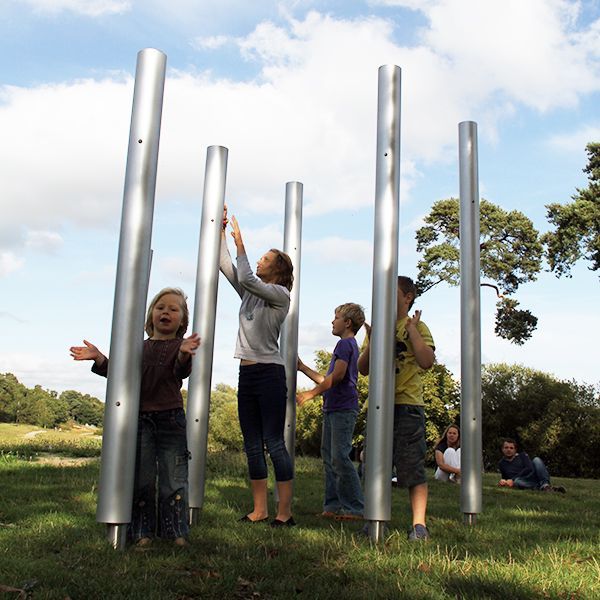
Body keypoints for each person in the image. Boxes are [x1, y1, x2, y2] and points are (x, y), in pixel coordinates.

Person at [70, 287, 200, 547]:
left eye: (173, 309)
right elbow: (120, 373)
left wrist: (185, 353)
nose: (166, 312)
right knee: (141, 478)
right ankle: (141, 533)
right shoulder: (138, 348)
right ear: (151, 315)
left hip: (170, 419)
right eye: (160, 307)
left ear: (182, 321)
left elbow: (181, 371)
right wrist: (99, 358)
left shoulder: (179, 347)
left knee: (173, 478)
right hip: (140, 418)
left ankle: (175, 532)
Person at [219, 205, 296, 527]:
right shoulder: (250, 292)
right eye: (258, 257)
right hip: (247, 372)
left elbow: (247, 275)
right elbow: (226, 265)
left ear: (277, 270)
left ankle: (284, 512)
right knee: (251, 444)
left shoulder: (279, 294)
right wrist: (219, 230)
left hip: (269, 374)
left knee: (274, 443)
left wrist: (241, 244)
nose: (258, 261)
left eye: (265, 259)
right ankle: (260, 510)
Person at [358, 276, 435, 541]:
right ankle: (373, 519)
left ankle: (419, 525)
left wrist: (412, 330)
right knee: (373, 465)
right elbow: (363, 368)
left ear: (407, 298)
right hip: (378, 406)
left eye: (392, 294)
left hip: (407, 406)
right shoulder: (379, 328)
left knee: (412, 465)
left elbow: (427, 361)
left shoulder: (417, 327)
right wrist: (373, 340)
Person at [297, 303, 365, 521]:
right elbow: (328, 379)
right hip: (333, 408)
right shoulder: (346, 345)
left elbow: (337, 377)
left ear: (347, 323)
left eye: (335, 318)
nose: (332, 322)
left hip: (343, 409)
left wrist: (311, 394)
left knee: (340, 458)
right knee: (329, 457)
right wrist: (303, 367)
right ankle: (332, 506)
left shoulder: (345, 345)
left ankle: (355, 508)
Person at [498, 438, 566, 493]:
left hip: (532, 476)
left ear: (515, 450)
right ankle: (546, 488)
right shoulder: (501, 463)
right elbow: (506, 478)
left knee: (536, 459)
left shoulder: (522, 456)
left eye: (511, 448)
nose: (508, 450)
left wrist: (512, 479)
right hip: (521, 482)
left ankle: (545, 485)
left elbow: (529, 468)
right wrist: (503, 482)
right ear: (502, 449)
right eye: (506, 447)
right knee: (517, 481)